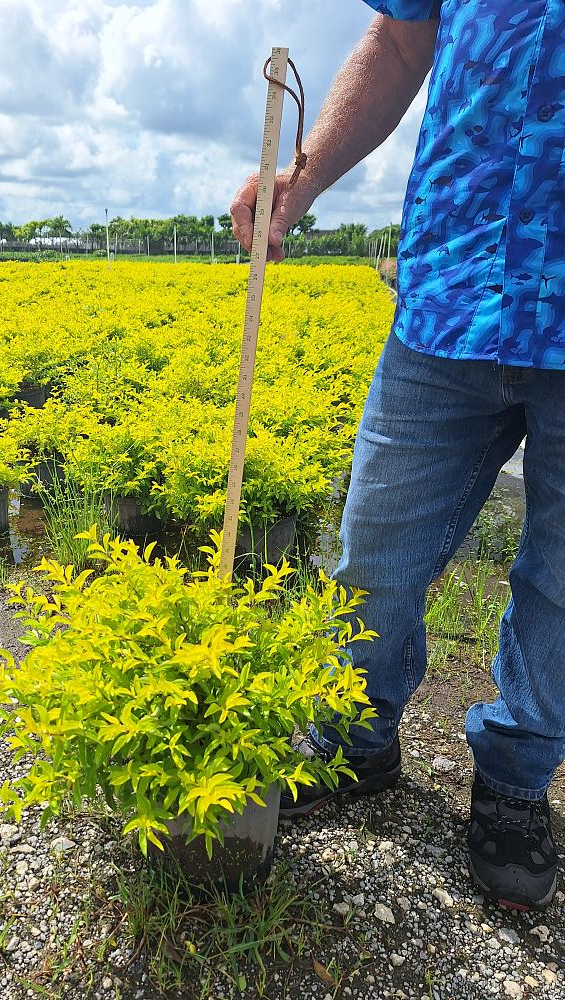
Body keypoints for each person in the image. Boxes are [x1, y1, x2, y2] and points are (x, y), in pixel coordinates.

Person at [231, 1, 564, 912]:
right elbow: (397, 36)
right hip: (451, 288)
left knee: (561, 582)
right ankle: (355, 736)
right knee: (373, 548)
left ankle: (515, 778)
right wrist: (299, 177)